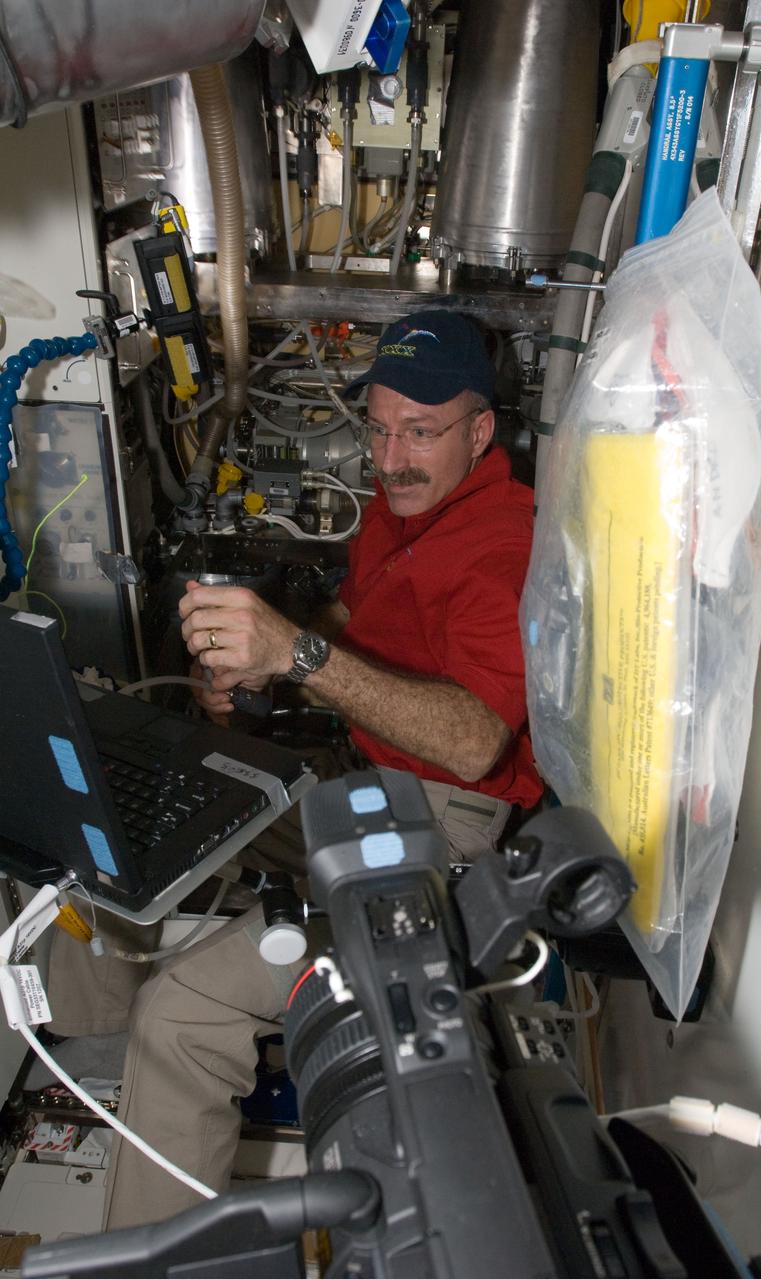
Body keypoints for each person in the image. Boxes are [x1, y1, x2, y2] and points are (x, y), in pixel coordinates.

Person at [52, 310, 543, 1228]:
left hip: (442, 828)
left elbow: (477, 741)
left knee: (185, 1016)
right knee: (114, 817)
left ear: (481, 432)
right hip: (356, 785)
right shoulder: (409, 513)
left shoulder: (501, 551)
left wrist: (298, 658)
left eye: (422, 432)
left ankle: (158, 1231)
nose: (392, 456)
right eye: (380, 426)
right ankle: (83, 1063)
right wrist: (256, 664)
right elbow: (353, 628)